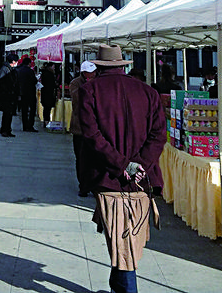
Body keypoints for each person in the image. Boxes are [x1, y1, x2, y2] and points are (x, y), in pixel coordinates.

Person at [77, 44, 165, 293]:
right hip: (141, 181)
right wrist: (140, 165)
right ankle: (118, 285)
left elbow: (92, 136)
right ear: (122, 65)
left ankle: (125, 288)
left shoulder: (89, 91)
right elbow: (159, 135)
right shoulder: (148, 92)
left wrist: (122, 164)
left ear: (99, 66)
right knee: (126, 240)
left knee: (122, 243)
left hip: (108, 178)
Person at [68, 60, 96, 197]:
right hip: (79, 127)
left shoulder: (98, 81)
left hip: (95, 127)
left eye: (93, 72)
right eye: (89, 72)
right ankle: (83, 185)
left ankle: (94, 184)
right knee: (81, 157)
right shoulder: (75, 83)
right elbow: (77, 100)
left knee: (94, 158)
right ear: (84, 73)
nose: (92, 74)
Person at [0, 52, 19, 137]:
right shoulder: (5, 69)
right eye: (16, 61)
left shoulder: (9, 69)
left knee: (9, 114)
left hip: (9, 95)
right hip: (6, 95)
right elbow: (1, 81)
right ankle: (4, 130)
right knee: (7, 114)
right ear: (13, 61)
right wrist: (9, 89)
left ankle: (7, 129)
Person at [16, 56, 38, 132]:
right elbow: (34, 81)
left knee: (24, 110)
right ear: (29, 63)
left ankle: (25, 126)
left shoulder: (18, 70)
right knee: (32, 109)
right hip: (30, 92)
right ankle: (30, 125)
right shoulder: (30, 71)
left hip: (22, 92)